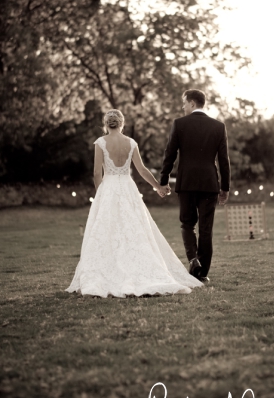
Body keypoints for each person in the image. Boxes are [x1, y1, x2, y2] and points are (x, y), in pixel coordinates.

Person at [66, 110, 203, 298]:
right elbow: (142, 170)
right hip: (128, 188)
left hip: (109, 188)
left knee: (106, 229)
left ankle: (108, 269)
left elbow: (97, 172)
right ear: (122, 123)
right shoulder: (131, 143)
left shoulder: (101, 143)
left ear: (106, 124)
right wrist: (157, 186)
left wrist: (100, 193)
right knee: (134, 228)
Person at [159, 89, 230, 283]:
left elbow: (170, 154)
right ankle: (203, 273)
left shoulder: (179, 124)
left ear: (192, 103)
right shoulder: (218, 126)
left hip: (187, 183)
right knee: (206, 229)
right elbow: (224, 161)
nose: (183, 107)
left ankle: (193, 259)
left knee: (187, 224)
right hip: (209, 184)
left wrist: (163, 180)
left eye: (184, 103)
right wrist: (225, 188)